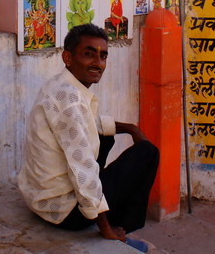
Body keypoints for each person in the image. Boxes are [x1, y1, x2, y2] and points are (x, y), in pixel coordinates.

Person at [18, 24, 159, 251]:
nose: (97, 63)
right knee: (147, 153)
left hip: (41, 200)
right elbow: (82, 166)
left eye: (102, 56)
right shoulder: (69, 99)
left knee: (105, 135)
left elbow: (89, 125)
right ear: (68, 57)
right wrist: (105, 228)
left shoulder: (60, 84)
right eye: (88, 54)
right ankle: (119, 228)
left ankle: (103, 213)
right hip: (66, 213)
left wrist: (131, 128)